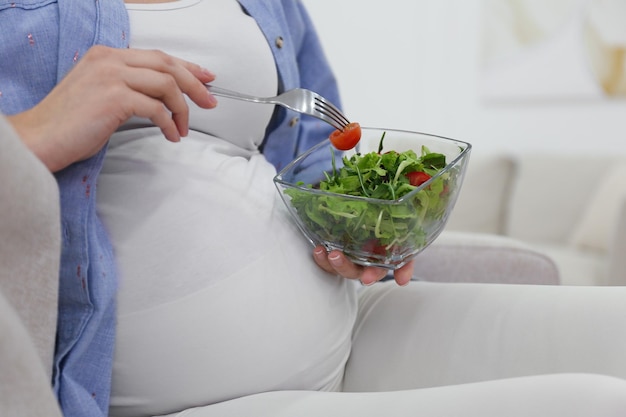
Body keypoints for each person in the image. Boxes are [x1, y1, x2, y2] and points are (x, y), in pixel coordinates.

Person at [3, 1, 626, 417]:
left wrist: (361, 225)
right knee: (595, 405)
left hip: (348, 318)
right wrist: (28, 134)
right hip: (194, 388)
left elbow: (316, 152)